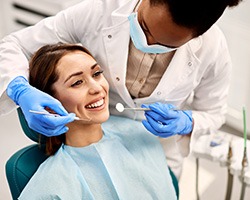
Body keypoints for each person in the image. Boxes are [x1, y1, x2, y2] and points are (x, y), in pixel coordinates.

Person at [0, 0, 242, 178]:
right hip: (91, 145)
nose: (148, 43)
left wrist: (188, 121)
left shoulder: (212, 49)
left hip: (155, 154)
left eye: (166, 45)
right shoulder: (101, 11)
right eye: (145, 28)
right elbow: (14, 45)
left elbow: (214, 113)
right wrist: (20, 90)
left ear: (195, 38)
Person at [18, 43, 177, 199]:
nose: (97, 88)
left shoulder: (140, 135)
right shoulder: (49, 189)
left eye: (96, 74)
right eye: (77, 82)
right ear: (50, 105)